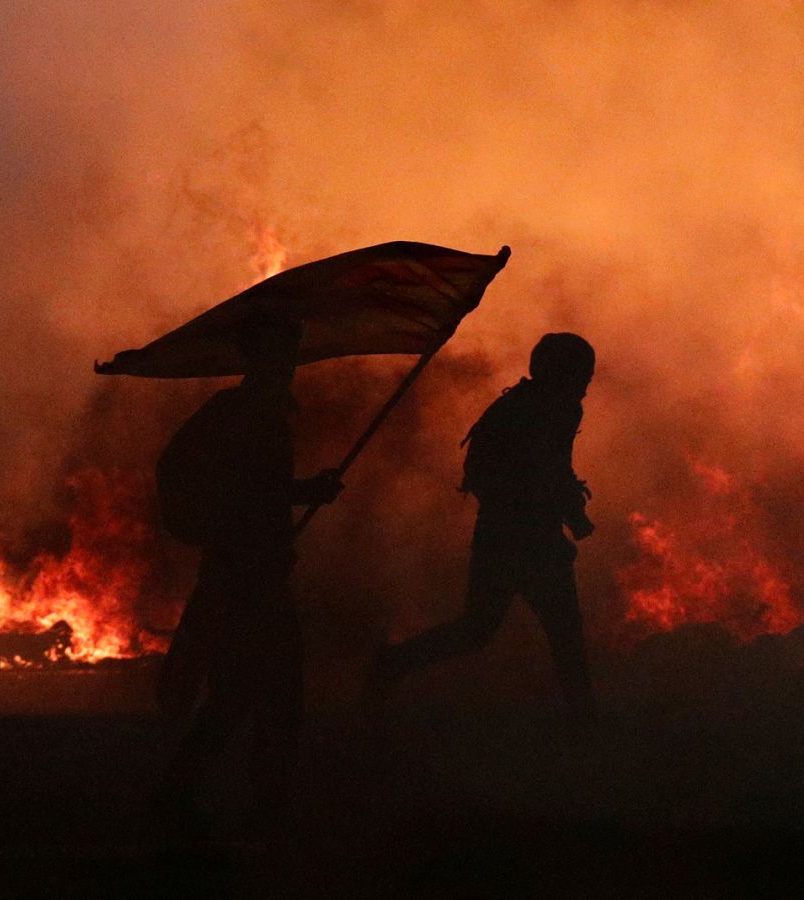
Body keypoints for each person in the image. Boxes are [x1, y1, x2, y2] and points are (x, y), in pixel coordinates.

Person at [154, 312, 342, 830]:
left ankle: (211, 795)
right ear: (262, 357)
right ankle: (243, 802)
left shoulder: (253, 413)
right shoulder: (244, 415)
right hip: (244, 576)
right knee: (264, 693)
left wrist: (303, 493)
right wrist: (306, 493)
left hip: (253, 571)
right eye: (283, 350)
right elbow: (249, 493)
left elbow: (253, 491)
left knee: (248, 694)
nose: (291, 362)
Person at [365, 332, 597, 721]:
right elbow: (501, 474)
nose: (586, 386)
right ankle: (586, 726)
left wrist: (565, 507)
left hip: (515, 538)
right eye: (581, 375)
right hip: (517, 540)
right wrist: (553, 509)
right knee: (554, 635)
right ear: (561, 373)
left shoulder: (557, 409)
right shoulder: (528, 411)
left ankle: (392, 664)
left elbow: (555, 469)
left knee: (483, 630)